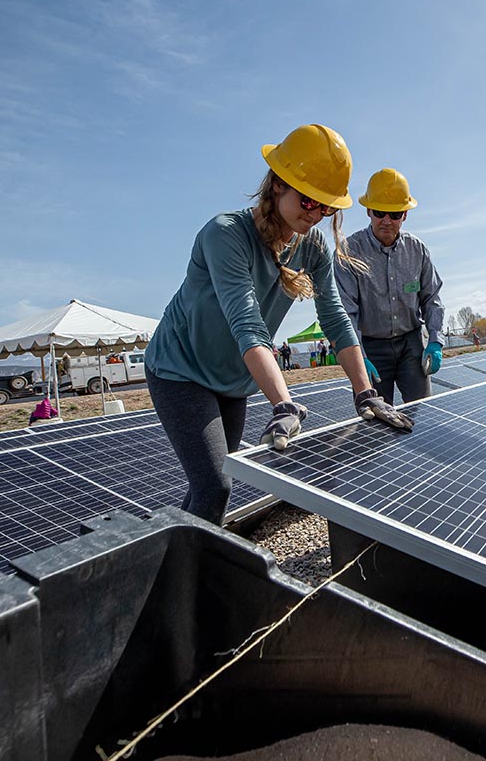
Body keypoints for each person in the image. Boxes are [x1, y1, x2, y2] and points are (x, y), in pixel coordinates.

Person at [144, 124, 414, 526]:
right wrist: (284, 404)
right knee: (214, 487)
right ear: (277, 185)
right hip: (180, 371)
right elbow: (247, 323)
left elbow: (335, 319)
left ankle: (172, 559)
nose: (316, 215)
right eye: (308, 201)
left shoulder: (313, 247)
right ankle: (173, 579)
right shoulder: (226, 235)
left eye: (326, 208)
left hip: (232, 381)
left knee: (210, 488)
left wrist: (365, 393)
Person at [335, 168, 445, 405]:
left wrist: (435, 339)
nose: (386, 221)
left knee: (422, 413)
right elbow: (346, 313)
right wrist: (358, 356)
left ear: (405, 214)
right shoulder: (349, 253)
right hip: (371, 348)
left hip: (411, 345)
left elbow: (431, 298)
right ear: (368, 211)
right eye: (380, 212)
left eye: (394, 214)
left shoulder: (418, 251)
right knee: (376, 421)